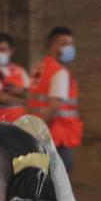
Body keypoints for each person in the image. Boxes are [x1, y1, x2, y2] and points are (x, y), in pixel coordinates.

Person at [29, 27, 82, 174]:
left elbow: (32, 102)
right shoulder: (59, 72)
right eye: (65, 44)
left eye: (71, 44)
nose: (70, 48)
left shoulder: (39, 69)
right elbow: (53, 107)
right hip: (58, 139)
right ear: (53, 46)